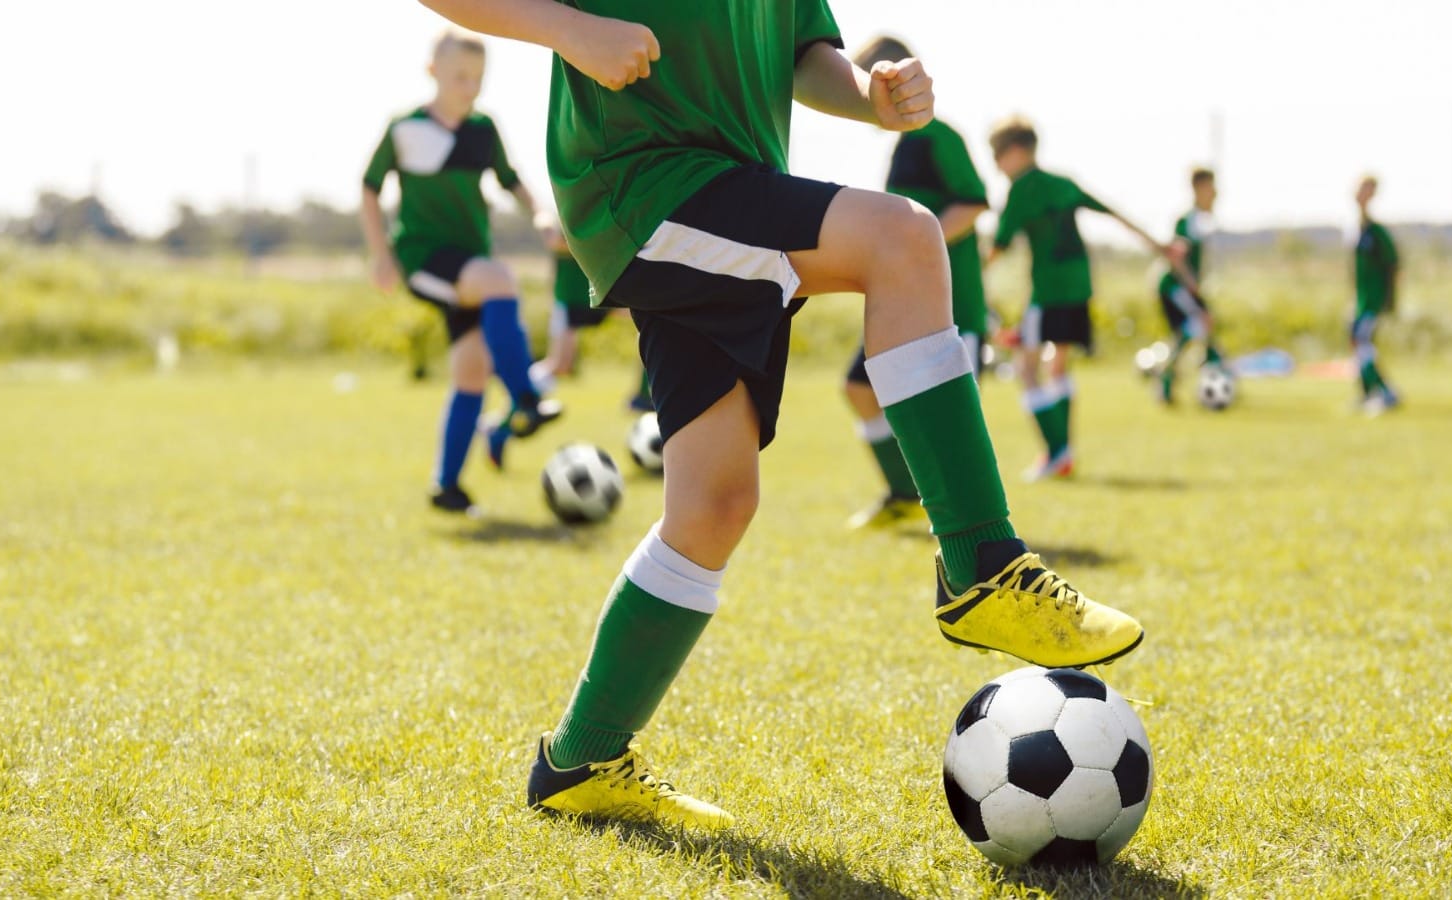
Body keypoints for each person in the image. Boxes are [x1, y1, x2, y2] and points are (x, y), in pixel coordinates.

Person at [420, 0, 1145, 828]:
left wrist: (869, 97)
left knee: (715, 505)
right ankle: (982, 564)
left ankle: (579, 760)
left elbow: (802, 51)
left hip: (725, 187)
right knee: (903, 239)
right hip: (644, 179)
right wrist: (570, 29)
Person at [360, 29, 562, 514]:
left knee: (471, 372)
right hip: (424, 259)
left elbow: (512, 180)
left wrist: (541, 215)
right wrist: (380, 255)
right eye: (460, 77)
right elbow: (369, 188)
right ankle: (525, 398)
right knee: (499, 279)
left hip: (470, 263)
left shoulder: (483, 129)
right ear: (433, 72)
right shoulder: (403, 127)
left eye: (478, 78)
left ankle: (446, 486)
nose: (470, 87)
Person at [841, 35, 989, 530]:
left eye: (862, 80)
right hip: (898, 301)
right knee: (858, 388)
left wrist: (914, 249)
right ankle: (905, 492)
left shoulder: (937, 135)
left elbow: (972, 203)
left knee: (952, 419)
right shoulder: (903, 144)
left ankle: (971, 528)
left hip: (950, 304)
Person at [987, 116, 1185, 479]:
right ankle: (1064, 454)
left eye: (997, 155)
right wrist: (1158, 245)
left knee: (1027, 368)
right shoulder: (1062, 183)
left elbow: (998, 247)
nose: (996, 164)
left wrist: (960, 277)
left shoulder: (1021, 189)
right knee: (1057, 365)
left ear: (1015, 151)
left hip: (1048, 291)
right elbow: (1114, 213)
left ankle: (1056, 452)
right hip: (1080, 287)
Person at [527, 229, 655, 411]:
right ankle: (522, 394)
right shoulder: (553, 219)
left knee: (652, 318)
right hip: (572, 295)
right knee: (560, 365)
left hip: (602, 289)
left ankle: (643, 396)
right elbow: (556, 241)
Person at [1155, 168, 1227, 405]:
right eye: (1211, 187)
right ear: (1199, 188)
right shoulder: (1188, 221)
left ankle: (1208, 375)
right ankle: (1167, 378)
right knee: (1199, 325)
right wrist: (1191, 284)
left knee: (1199, 328)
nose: (1215, 193)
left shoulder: (1202, 220)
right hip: (1175, 287)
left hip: (1184, 287)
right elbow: (1176, 257)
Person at [1350, 175, 1401, 412]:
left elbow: (1393, 264)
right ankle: (1367, 393)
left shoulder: (1377, 232)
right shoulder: (1356, 230)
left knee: (1363, 343)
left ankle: (1386, 392)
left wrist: (1388, 300)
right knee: (1357, 343)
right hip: (1360, 300)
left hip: (1374, 300)